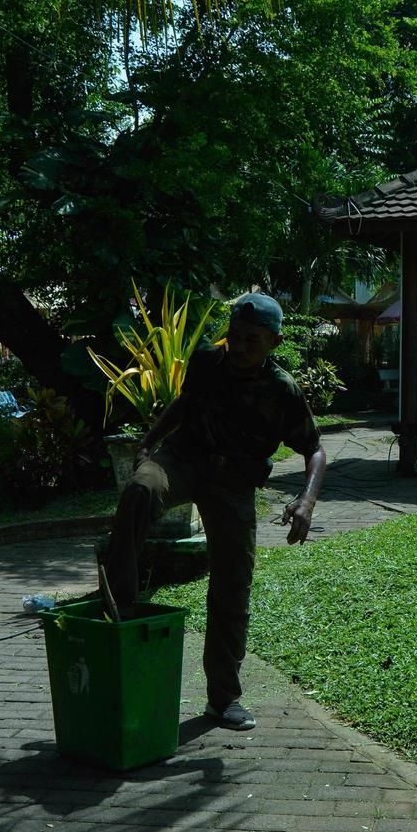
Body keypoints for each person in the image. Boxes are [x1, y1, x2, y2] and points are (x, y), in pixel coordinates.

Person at [100, 292, 327, 732]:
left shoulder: (282, 390)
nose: (239, 348)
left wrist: (306, 501)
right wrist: (149, 442)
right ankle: (120, 604)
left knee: (232, 584)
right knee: (140, 490)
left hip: (233, 485)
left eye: (252, 340)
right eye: (234, 337)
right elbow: (184, 404)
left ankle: (223, 699)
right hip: (184, 461)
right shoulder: (207, 362)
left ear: (274, 342)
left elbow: (315, 450)